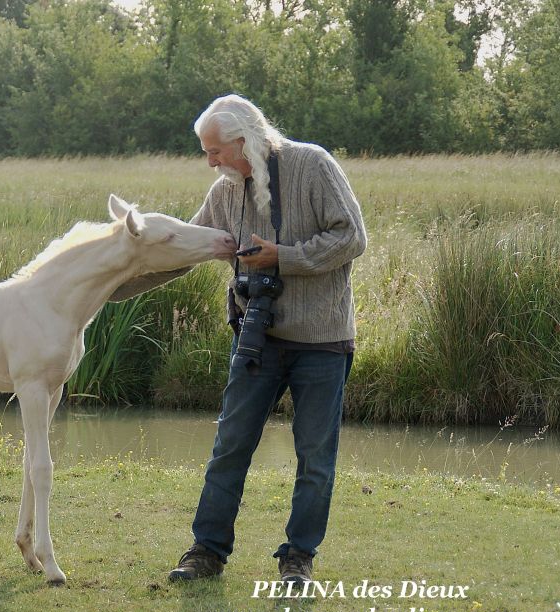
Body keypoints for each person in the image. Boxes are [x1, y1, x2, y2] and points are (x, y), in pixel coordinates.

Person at [110, 94, 367, 584]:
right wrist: (108, 290)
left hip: (323, 342)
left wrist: (283, 257)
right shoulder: (226, 191)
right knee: (230, 447)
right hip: (256, 341)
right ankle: (206, 552)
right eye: (206, 152)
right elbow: (182, 251)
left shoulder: (313, 165)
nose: (210, 162)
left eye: (215, 151)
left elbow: (352, 237)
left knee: (315, 457)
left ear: (244, 139)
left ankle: (298, 560)